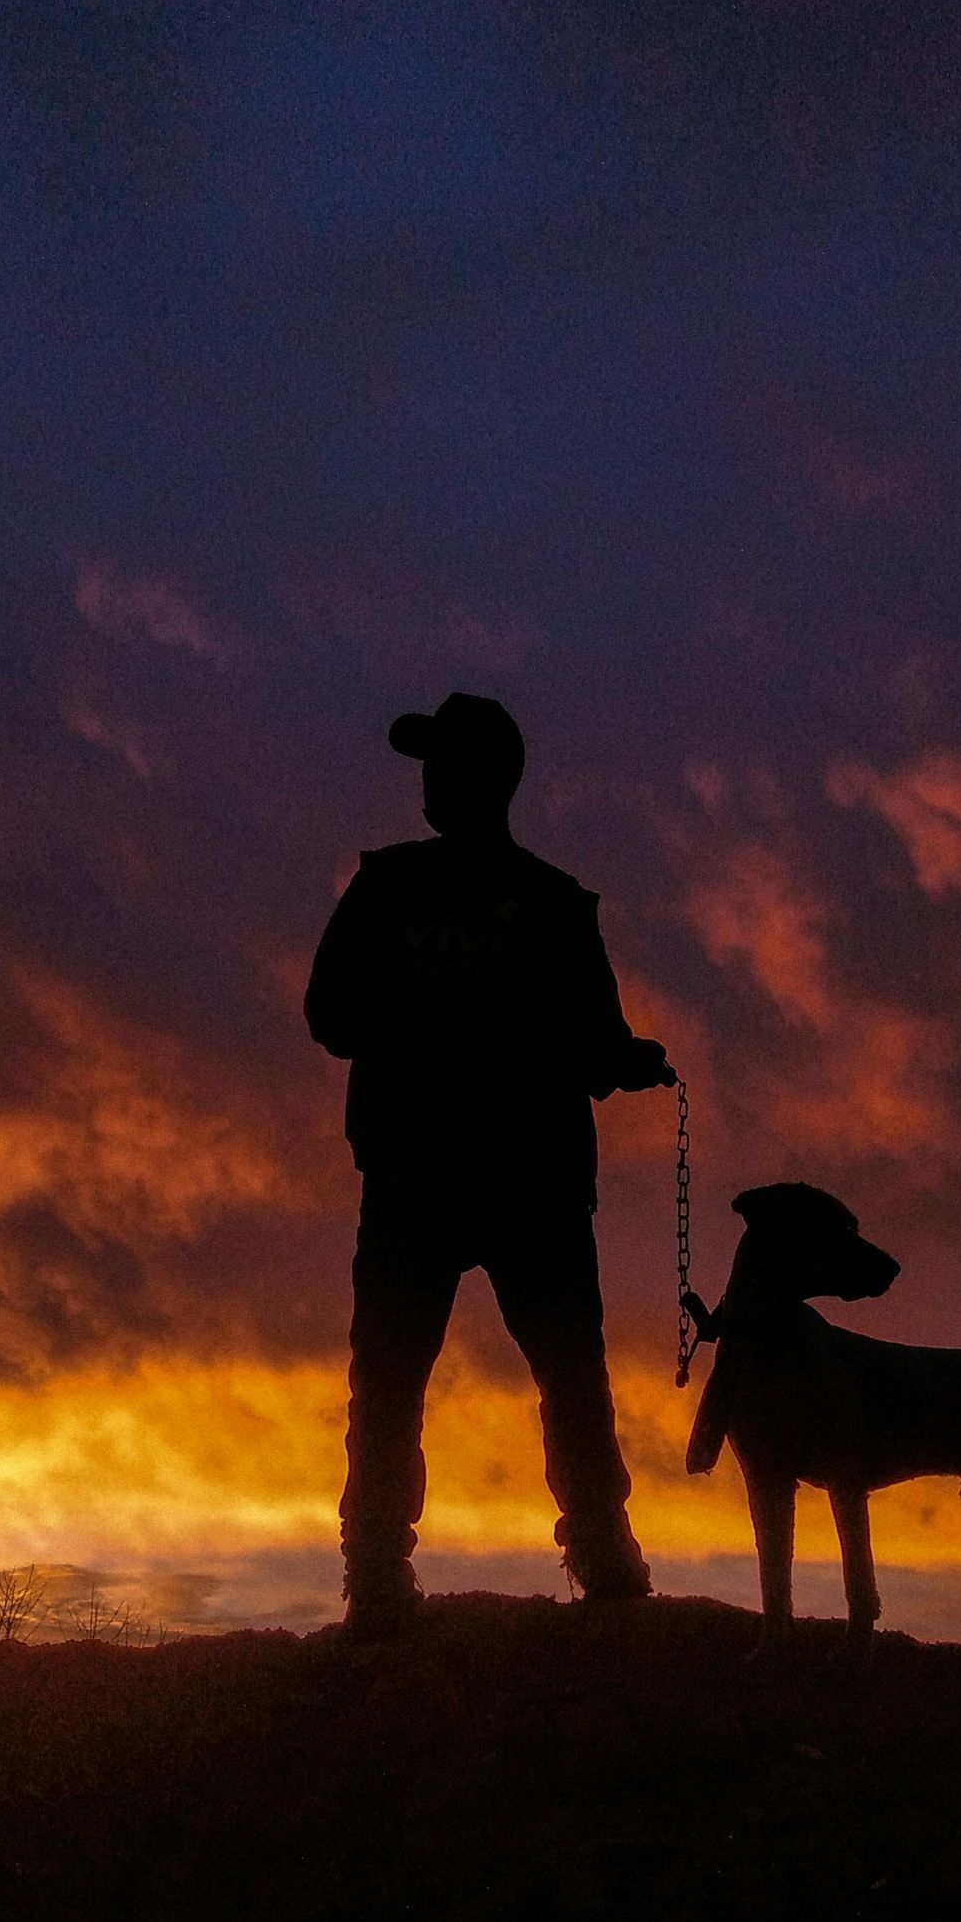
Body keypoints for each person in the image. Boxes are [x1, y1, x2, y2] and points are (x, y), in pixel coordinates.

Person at [306, 694, 675, 1638]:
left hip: (473, 1178)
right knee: (514, 1373)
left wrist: (611, 1060)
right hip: (493, 1176)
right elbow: (331, 1015)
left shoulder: (425, 892)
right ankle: (576, 1559)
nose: (431, 779)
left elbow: (335, 1016)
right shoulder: (539, 902)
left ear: (492, 773)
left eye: (446, 760)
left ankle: (399, 1572)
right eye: (427, 762)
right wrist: (607, 1061)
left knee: (466, 1374)